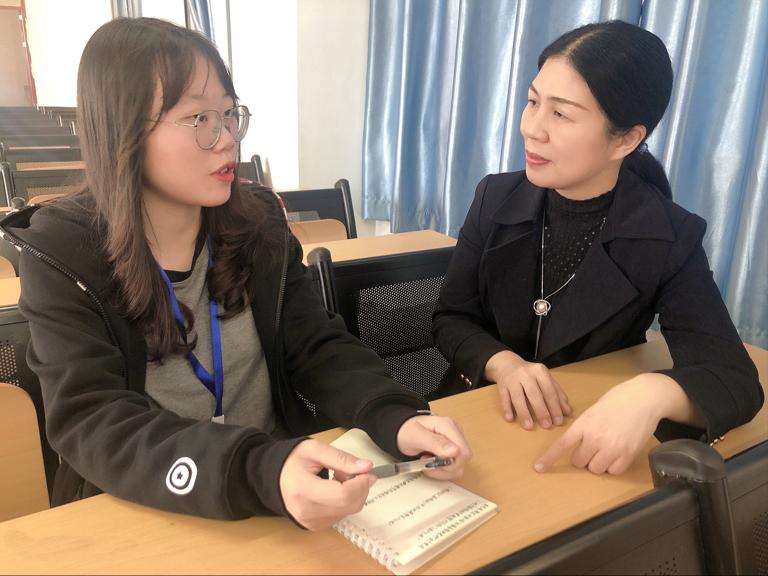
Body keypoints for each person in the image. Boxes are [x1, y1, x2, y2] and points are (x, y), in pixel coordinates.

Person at [0, 17, 471, 530]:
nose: (227, 139)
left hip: (275, 491)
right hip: (149, 512)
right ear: (124, 130)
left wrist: (394, 413)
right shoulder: (65, 253)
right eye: (199, 118)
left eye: (229, 114)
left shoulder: (257, 224)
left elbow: (315, 346)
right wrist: (257, 469)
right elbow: (94, 421)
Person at [432, 20, 762, 476]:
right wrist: (503, 364)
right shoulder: (495, 197)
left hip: (580, 429)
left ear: (625, 139)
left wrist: (651, 393)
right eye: (532, 102)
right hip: (476, 417)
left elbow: (734, 379)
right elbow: (451, 318)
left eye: (561, 114)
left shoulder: (667, 234)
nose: (532, 129)